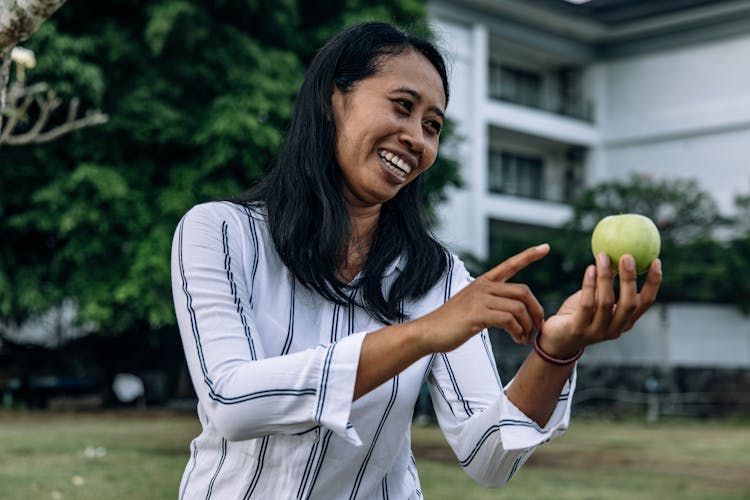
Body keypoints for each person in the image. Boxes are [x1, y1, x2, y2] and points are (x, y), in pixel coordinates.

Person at [171, 21, 662, 499]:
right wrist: (425, 332)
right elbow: (231, 402)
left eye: (432, 126)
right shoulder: (219, 231)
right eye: (402, 107)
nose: (417, 139)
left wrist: (555, 351)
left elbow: (490, 457)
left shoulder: (438, 277)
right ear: (331, 99)